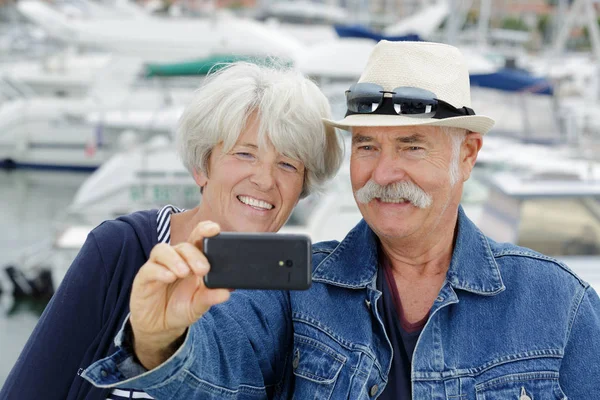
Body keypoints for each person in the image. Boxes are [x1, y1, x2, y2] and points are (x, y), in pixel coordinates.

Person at [81, 41, 600, 399]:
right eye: (367, 145)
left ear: (467, 156)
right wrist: (156, 339)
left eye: (412, 145)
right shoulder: (292, 287)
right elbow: (216, 381)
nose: (383, 171)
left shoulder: (561, 305)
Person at [0, 62, 343, 400]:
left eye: (287, 164)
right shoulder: (122, 250)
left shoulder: (299, 298)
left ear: (302, 185)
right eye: (245, 153)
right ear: (201, 168)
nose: (265, 179)